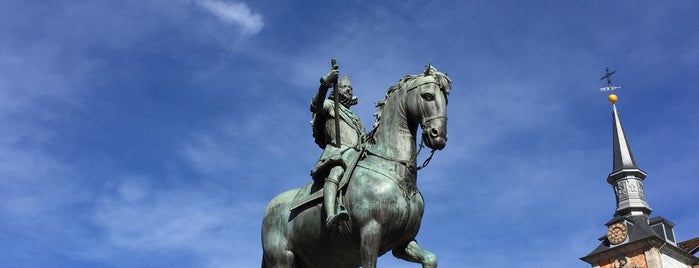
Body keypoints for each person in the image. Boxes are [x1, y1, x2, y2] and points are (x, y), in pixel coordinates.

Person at [309, 63, 365, 229]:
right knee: (336, 172)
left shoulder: (356, 118)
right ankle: (331, 214)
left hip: (357, 155)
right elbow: (315, 106)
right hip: (338, 153)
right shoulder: (329, 105)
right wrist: (325, 83)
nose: (349, 90)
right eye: (345, 87)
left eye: (351, 88)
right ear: (337, 89)